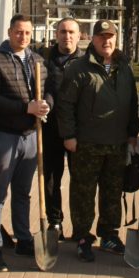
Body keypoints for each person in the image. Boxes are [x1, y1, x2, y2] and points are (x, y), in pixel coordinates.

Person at [58, 19, 139, 262]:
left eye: (110, 36)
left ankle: (109, 235)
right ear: (92, 39)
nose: (106, 41)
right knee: (83, 193)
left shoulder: (124, 67)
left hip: (117, 143)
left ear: (116, 38)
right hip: (86, 144)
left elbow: (132, 102)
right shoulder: (78, 68)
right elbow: (65, 105)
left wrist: (132, 134)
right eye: (101, 37)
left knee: (112, 192)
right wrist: (69, 135)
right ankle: (83, 237)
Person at [0, 14, 51, 272]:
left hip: (31, 137)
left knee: (23, 192)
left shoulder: (37, 61)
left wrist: (46, 105)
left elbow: (49, 91)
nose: (23, 37)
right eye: (19, 32)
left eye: (28, 33)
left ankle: (23, 238)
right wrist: (26, 108)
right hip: (5, 137)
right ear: (10, 32)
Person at [41, 17, 85, 237]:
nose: (67, 36)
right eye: (63, 32)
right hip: (51, 130)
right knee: (50, 179)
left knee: (80, 181)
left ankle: (80, 227)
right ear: (56, 34)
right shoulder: (43, 60)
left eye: (71, 32)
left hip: (78, 131)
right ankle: (55, 221)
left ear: (79, 36)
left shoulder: (87, 61)